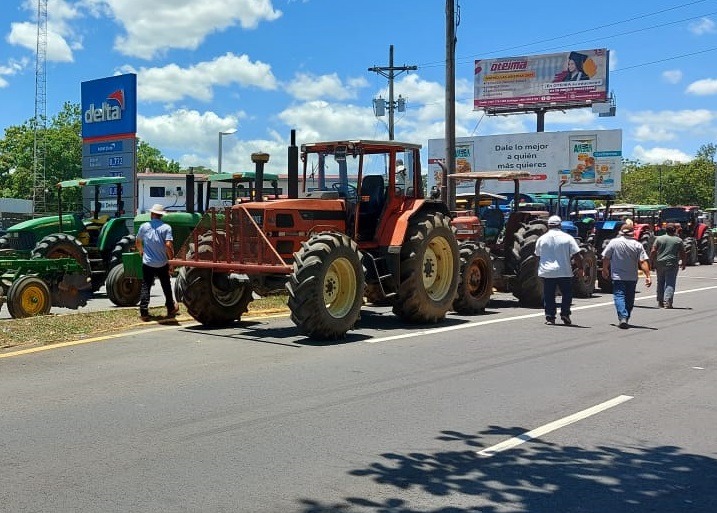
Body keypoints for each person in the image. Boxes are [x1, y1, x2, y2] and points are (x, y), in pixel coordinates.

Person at [601, 220, 652, 328]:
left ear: (620, 232)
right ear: (632, 232)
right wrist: (648, 276)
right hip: (632, 277)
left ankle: (623, 317)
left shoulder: (614, 242)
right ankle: (625, 316)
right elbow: (643, 261)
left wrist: (605, 269)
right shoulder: (637, 245)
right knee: (629, 298)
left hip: (618, 276)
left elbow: (606, 257)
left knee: (619, 296)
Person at [535, 215, 583, 325]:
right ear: (560, 225)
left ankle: (550, 317)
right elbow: (577, 255)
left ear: (548, 225)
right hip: (564, 271)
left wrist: (542, 266)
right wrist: (580, 268)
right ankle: (565, 313)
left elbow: (537, 255)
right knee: (567, 294)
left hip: (547, 272)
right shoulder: (568, 238)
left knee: (549, 295)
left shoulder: (541, 239)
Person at [136, 203, 179, 321]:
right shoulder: (166, 227)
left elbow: (138, 241)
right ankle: (170, 308)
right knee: (166, 285)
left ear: (152, 214)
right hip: (162, 262)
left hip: (148, 262)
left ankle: (144, 312)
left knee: (146, 286)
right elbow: (168, 245)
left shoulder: (144, 226)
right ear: (161, 215)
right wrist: (171, 260)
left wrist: (141, 252)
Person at [650, 223, 686, 309]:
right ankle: (667, 302)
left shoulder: (659, 239)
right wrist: (683, 263)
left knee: (660, 282)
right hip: (672, 263)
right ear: (675, 230)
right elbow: (683, 253)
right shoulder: (678, 240)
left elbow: (653, 251)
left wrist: (651, 262)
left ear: (666, 230)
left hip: (660, 263)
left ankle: (660, 301)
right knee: (670, 283)